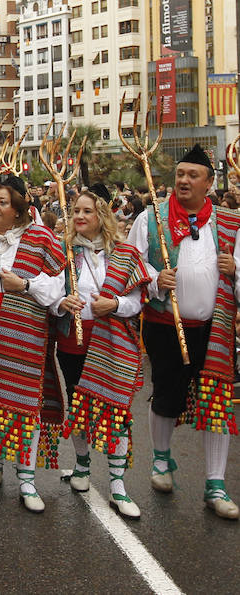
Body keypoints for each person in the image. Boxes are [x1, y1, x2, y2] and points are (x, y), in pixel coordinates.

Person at [127, 144, 240, 520]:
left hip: (215, 327)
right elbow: (129, 263)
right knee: (166, 393)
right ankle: (160, 461)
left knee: (216, 402)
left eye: (193, 176)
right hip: (165, 325)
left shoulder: (229, 222)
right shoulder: (152, 218)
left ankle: (215, 482)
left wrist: (234, 269)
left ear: (210, 183)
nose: (184, 181)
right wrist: (155, 278)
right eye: (180, 175)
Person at [0, 175, 66, 513]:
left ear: (19, 208)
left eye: (2, 202)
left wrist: (24, 284)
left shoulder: (40, 238)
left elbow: (57, 289)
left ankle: (26, 477)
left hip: (24, 333)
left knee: (26, 402)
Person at [53, 184, 150, 519]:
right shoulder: (62, 253)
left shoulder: (124, 254)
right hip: (73, 343)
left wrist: (116, 304)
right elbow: (47, 293)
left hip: (112, 344)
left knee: (115, 412)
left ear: (101, 216)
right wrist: (61, 302)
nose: (79, 216)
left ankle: (118, 485)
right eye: (75, 211)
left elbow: (138, 301)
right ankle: (81, 467)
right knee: (78, 406)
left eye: (87, 211)